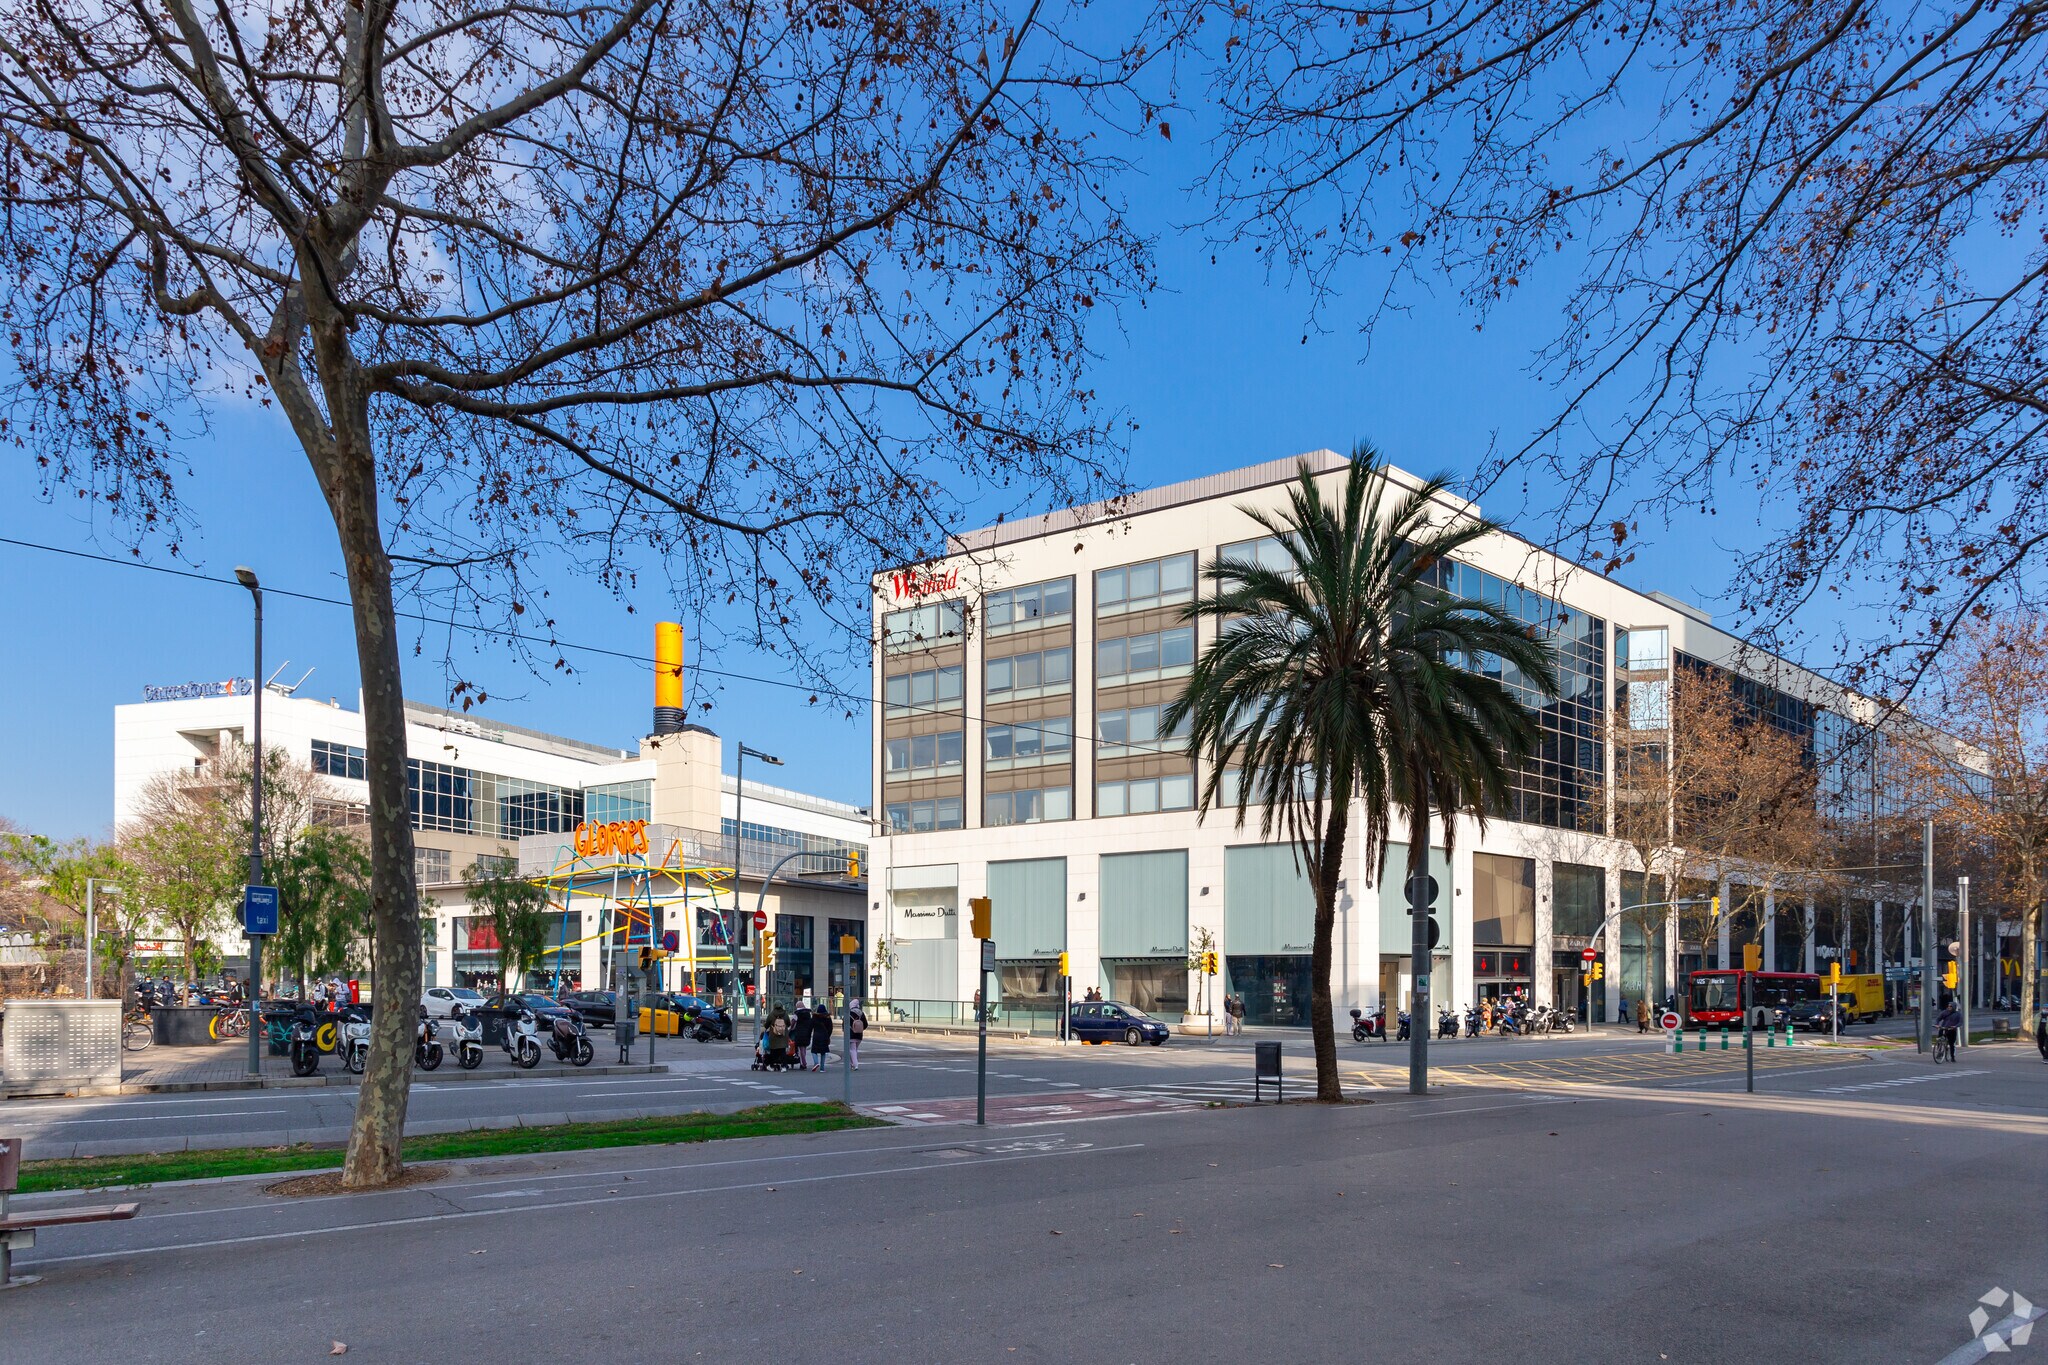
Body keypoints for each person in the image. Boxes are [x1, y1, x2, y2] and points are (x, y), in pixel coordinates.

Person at [810, 1002, 833, 1071]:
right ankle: (822, 1068)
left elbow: (811, 1026)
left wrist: (809, 1034)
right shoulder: (828, 1017)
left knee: (814, 1051)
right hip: (825, 1036)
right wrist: (828, 1035)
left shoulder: (814, 1017)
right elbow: (830, 1028)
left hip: (816, 1035)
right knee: (823, 1052)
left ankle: (816, 1062)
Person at [847, 998, 867, 1069]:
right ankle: (853, 1064)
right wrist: (860, 1029)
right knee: (855, 1050)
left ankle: (855, 1065)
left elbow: (845, 1024)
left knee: (852, 1050)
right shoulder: (862, 1013)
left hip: (851, 1034)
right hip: (859, 1035)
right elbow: (866, 1024)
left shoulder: (848, 1013)